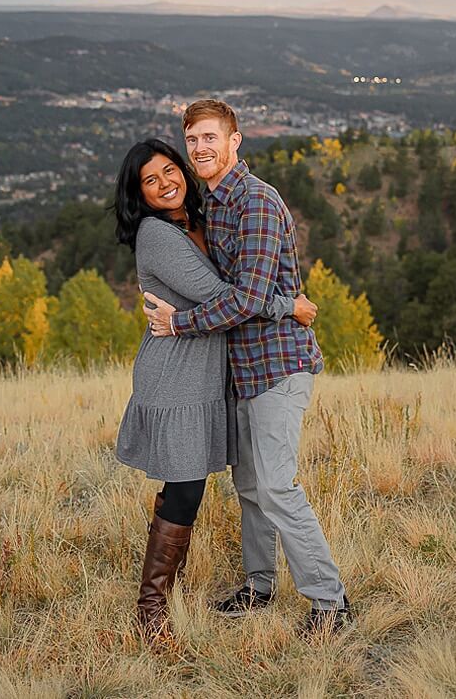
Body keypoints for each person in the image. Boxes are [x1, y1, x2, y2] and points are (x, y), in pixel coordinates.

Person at [144, 99, 352, 635]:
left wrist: (180, 323)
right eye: (192, 141)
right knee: (252, 488)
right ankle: (260, 587)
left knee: (278, 486)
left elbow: (248, 297)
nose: (200, 149)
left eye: (210, 137)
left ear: (236, 140)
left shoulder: (257, 202)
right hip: (239, 371)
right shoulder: (212, 205)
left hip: (278, 366)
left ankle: (330, 603)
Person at [112, 138, 317, 641]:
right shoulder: (156, 235)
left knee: (192, 484)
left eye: (169, 171)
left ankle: (199, 593)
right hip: (175, 373)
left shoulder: (203, 221)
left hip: (210, 373)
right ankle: (152, 610)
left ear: (183, 169)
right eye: (150, 180)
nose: (165, 183)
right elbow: (225, 296)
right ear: (139, 195)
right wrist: (287, 306)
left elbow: (239, 286)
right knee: (184, 487)